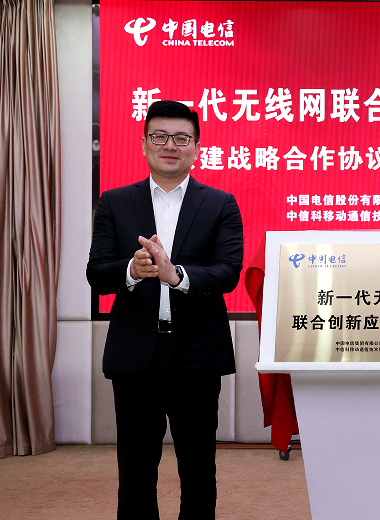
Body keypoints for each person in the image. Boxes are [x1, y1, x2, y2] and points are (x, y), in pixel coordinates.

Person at [87, 100, 244, 520]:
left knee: (198, 468)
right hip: (136, 354)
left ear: (197, 148)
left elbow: (228, 272)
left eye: (181, 138)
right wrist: (131, 270)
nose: (170, 145)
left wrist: (177, 276)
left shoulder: (221, 204)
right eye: (159, 136)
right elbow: (97, 273)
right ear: (144, 144)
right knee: (135, 470)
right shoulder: (115, 202)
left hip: (197, 354)